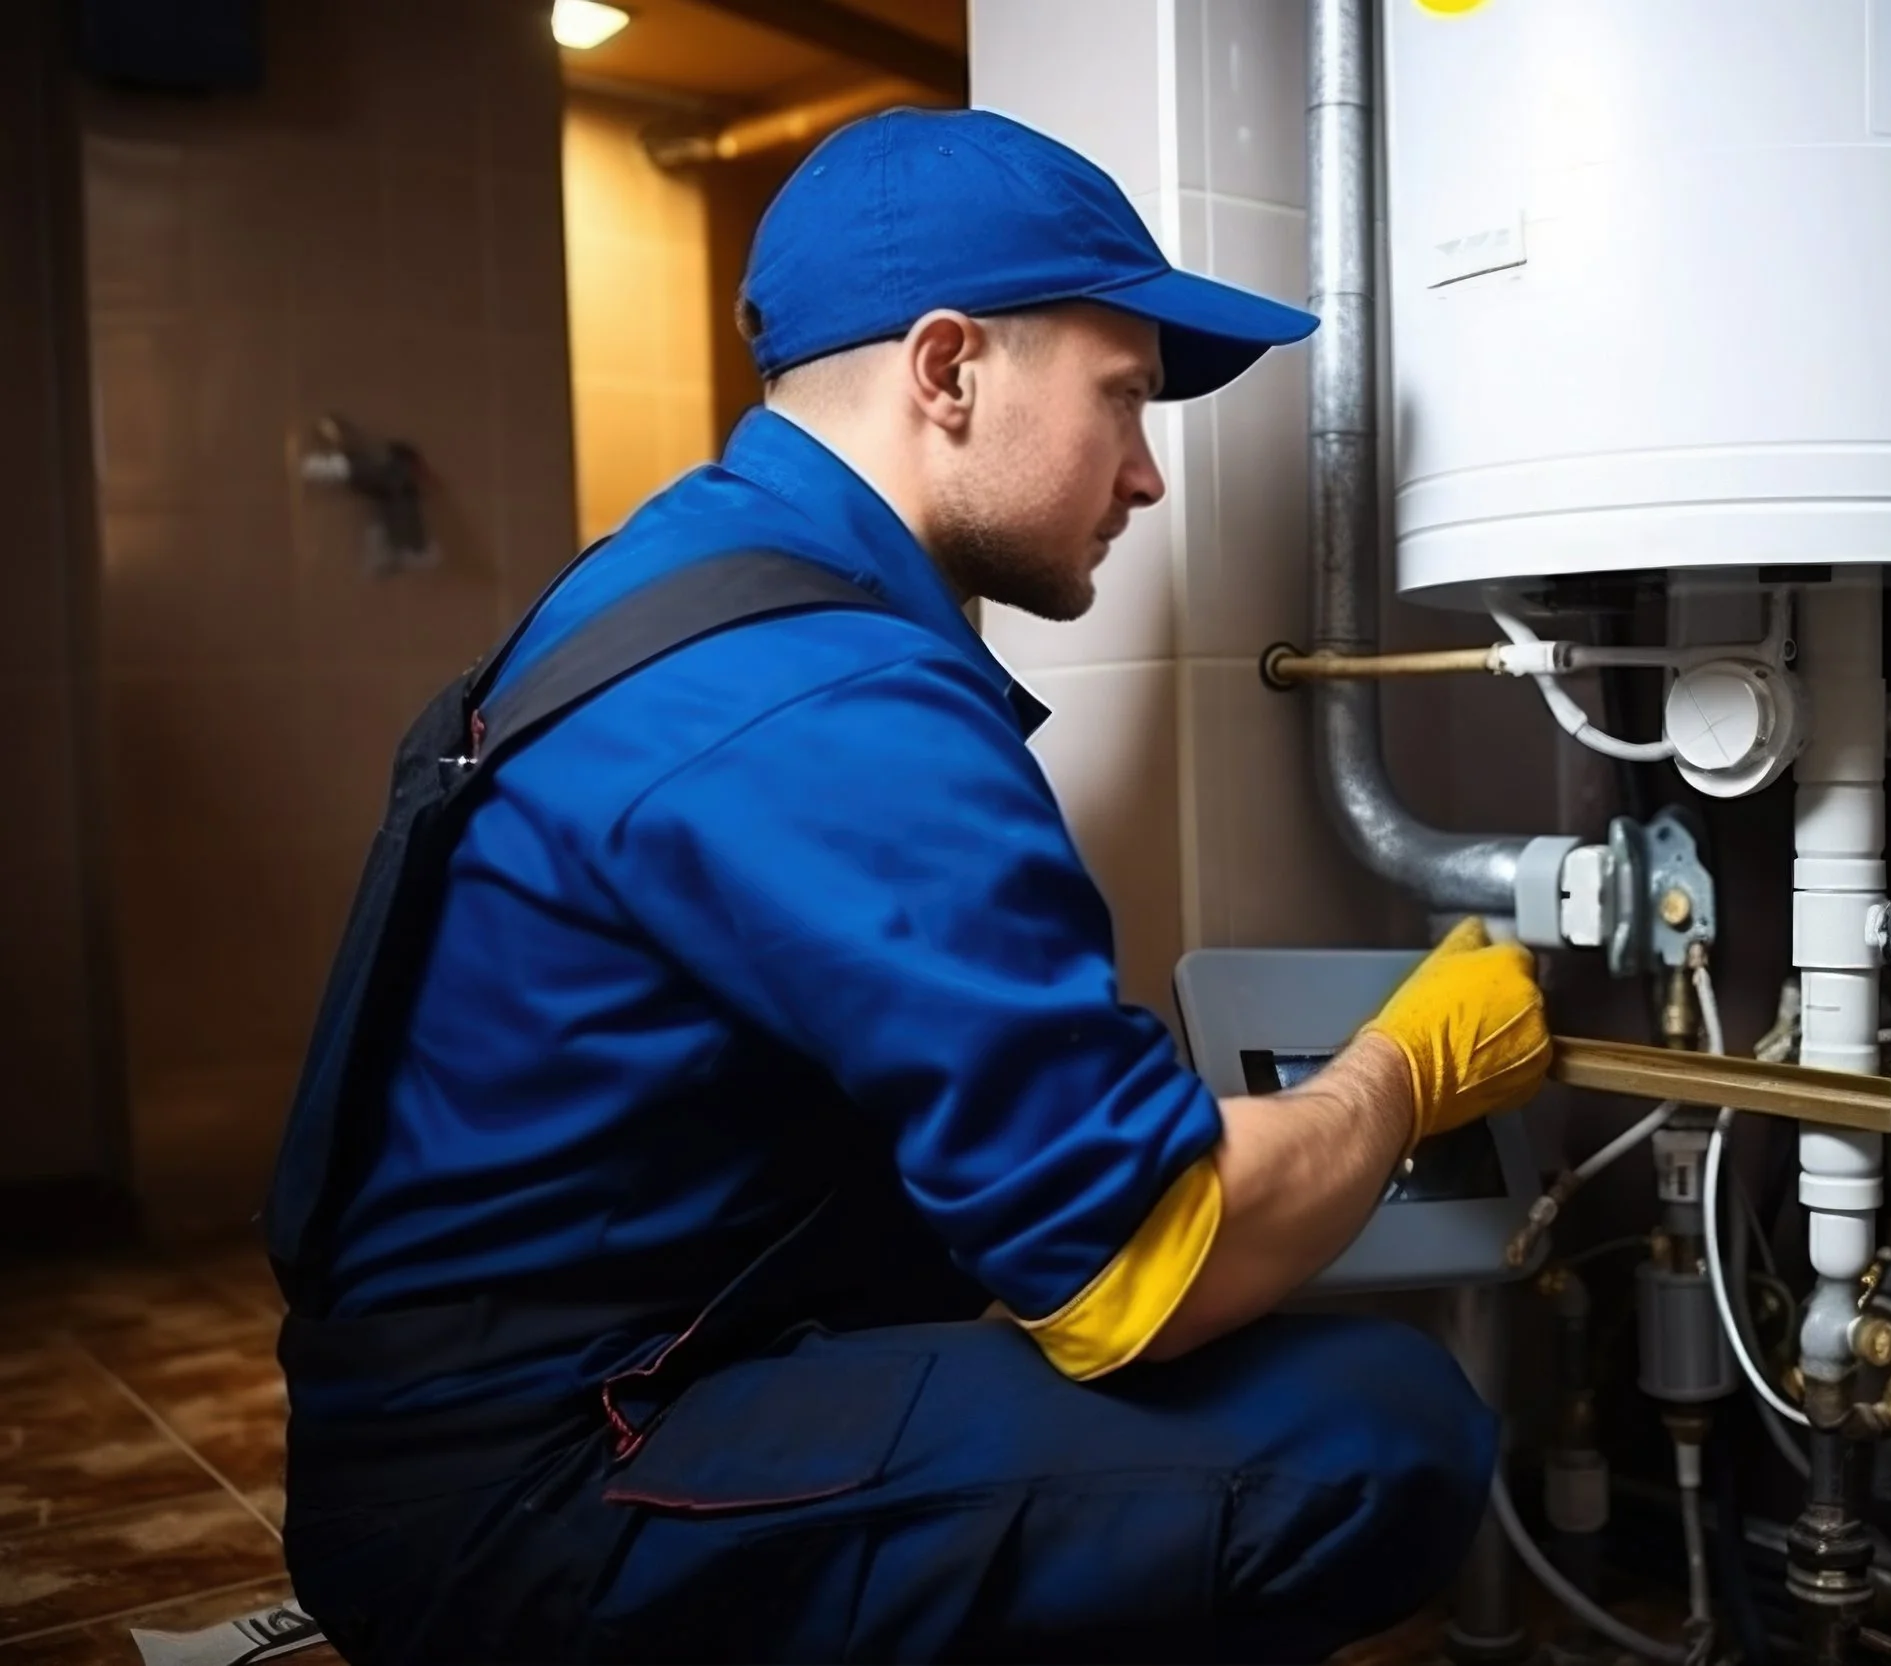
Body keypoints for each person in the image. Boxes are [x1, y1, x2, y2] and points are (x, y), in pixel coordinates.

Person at [265, 108, 1551, 1664]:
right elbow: (1144, 1260)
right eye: (1123, 399)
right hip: (532, 1492)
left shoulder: (688, 585)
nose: (1145, 474)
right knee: (1373, 1431)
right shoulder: (824, 697)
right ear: (948, 370)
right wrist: (1399, 1076)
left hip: (480, 1409)